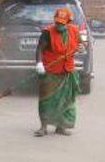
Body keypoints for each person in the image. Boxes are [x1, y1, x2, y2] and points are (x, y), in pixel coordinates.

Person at [33, 8, 85, 137]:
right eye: (57, 22)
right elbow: (39, 48)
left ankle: (61, 127)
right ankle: (43, 127)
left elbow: (82, 45)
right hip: (50, 71)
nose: (59, 25)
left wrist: (81, 47)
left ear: (68, 22)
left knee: (67, 100)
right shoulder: (47, 32)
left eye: (62, 23)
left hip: (67, 70)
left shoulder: (74, 30)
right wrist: (39, 63)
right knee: (47, 100)